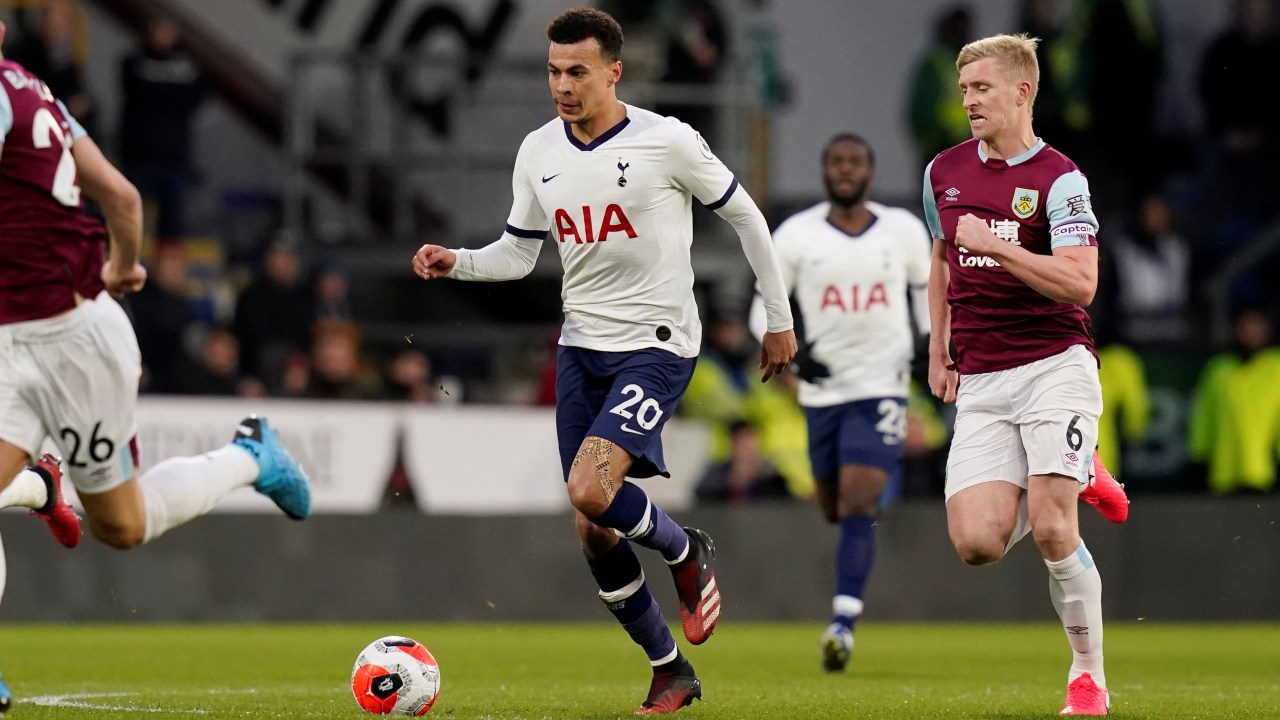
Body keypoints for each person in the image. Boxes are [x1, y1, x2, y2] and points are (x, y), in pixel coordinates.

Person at [411, 8, 796, 714]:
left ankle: (684, 549)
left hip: (656, 343)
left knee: (590, 489)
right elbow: (520, 252)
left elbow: (745, 214)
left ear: (614, 71)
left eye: (577, 72)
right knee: (591, 526)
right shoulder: (539, 151)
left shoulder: (666, 141)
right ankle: (669, 669)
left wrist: (777, 316)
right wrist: (457, 262)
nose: (562, 85)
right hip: (581, 347)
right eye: (554, 72)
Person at [0, 18, 311, 689]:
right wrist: (124, 267)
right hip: (23, 333)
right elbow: (122, 196)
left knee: (122, 526)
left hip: (69, 346)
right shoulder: (35, 93)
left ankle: (248, 457)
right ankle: (43, 486)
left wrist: (110, 276)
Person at [922, 33, 1129, 716]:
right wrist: (938, 347)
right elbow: (941, 261)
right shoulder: (942, 172)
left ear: (1022, 91)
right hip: (983, 379)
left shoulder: (1060, 179)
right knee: (976, 544)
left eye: (981, 88)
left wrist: (1000, 250)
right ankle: (1077, 469)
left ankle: (1088, 679)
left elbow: (1081, 282)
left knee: (1049, 526)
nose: (969, 101)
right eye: (963, 90)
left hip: (1054, 367)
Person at [748, 133, 932, 672]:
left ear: (870, 173)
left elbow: (927, 295)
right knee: (834, 504)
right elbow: (767, 304)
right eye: (836, 162)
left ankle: (842, 626)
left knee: (858, 497)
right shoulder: (796, 235)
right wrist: (793, 363)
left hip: (883, 386)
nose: (846, 170)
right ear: (825, 171)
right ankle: (845, 599)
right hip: (822, 389)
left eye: (855, 161)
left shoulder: (903, 231)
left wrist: (927, 347)